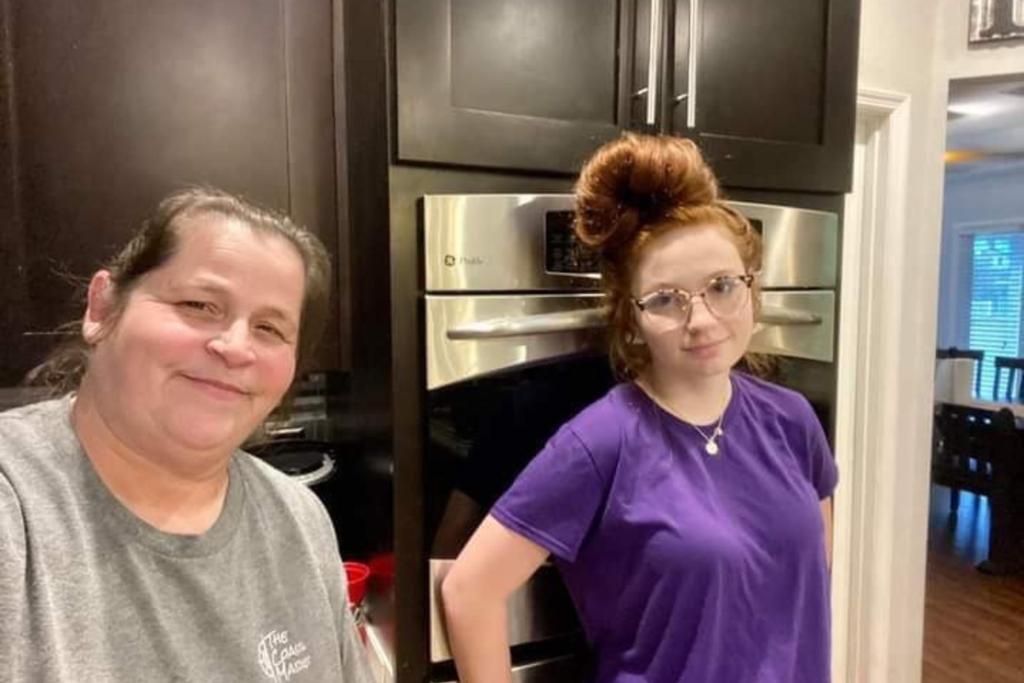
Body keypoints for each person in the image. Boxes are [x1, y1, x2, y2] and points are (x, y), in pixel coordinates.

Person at [441, 134, 838, 683]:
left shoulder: (793, 421)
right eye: (666, 299)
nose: (700, 319)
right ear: (632, 317)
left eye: (721, 286)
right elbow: (469, 590)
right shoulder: (602, 441)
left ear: (753, 288)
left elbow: (805, 587)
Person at [0, 188, 371, 682]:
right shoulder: (16, 509)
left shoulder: (300, 520)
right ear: (102, 309)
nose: (236, 347)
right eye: (198, 304)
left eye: (269, 328)